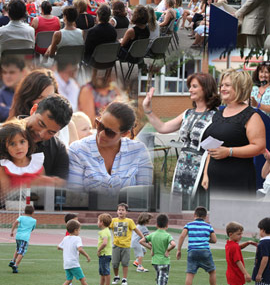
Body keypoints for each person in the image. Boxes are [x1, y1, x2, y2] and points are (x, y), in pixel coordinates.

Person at [143, 73, 221, 210]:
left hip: (202, 166)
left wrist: (206, 174)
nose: (190, 90)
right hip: (182, 165)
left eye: (194, 86)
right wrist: (147, 109)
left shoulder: (217, 115)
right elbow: (162, 127)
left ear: (206, 89)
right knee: (180, 205)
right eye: (190, 86)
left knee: (197, 206)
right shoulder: (187, 113)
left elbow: (215, 146)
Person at [202, 69, 266, 195]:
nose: (222, 88)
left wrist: (229, 152)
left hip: (238, 181)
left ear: (240, 87)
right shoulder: (218, 114)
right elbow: (212, 148)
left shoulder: (252, 116)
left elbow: (259, 147)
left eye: (227, 85)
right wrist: (206, 173)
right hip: (215, 180)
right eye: (221, 85)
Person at [68, 101, 153, 194]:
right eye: (100, 126)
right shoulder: (77, 150)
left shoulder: (139, 151)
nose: (102, 134)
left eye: (109, 132)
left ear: (124, 134)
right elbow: (74, 197)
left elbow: (144, 197)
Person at [176, 206, 217, 285]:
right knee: (212, 272)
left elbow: (182, 236)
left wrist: (179, 250)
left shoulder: (189, 225)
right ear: (205, 217)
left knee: (190, 274)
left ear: (194, 215)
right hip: (205, 251)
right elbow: (214, 240)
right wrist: (206, 239)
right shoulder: (208, 226)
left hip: (192, 252)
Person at [0, 119, 44, 196]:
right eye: (12, 144)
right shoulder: (4, 167)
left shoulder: (37, 164)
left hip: (37, 205)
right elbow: (6, 194)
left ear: (29, 143)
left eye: (22, 142)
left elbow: (44, 191)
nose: (19, 147)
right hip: (13, 206)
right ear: (6, 148)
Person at [57, 219, 99, 285]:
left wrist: (67, 249)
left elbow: (58, 247)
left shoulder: (65, 238)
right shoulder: (77, 238)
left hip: (66, 263)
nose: (79, 232)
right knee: (82, 279)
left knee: (68, 280)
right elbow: (80, 249)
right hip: (74, 263)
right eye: (79, 230)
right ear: (75, 230)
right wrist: (87, 256)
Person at [140, 213, 176, 285]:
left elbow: (141, 241)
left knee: (159, 279)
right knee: (162, 280)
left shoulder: (152, 234)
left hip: (155, 261)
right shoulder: (167, 235)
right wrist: (167, 250)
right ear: (167, 225)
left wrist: (151, 248)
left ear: (156, 224)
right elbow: (173, 244)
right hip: (164, 261)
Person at [110, 203, 145, 285]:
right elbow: (106, 227)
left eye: (123, 210)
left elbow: (136, 230)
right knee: (115, 263)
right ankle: (116, 276)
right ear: (117, 211)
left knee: (125, 263)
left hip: (126, 246)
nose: (120, 211)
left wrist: (143, 237)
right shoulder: (113, 220)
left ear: (126, 212)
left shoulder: (129, 221)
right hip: (116, 246)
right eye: (119, 210)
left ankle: (124, 279)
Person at [225, 221, 257, 285]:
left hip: (231, 276)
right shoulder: (234, 246)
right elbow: (238, 261)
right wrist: (246, 274)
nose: (241, 236)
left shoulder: (229, 244)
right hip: (236, 277)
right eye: (239, 234)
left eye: (241, 234)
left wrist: (247, 243)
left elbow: (238, 248)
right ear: (230, 234)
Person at [9, 205, 36, 273]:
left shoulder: (21, 217)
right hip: (25, 238)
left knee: (18, 249)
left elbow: (15, 223)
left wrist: (12, 231)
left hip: (18, 236)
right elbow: (32, 229)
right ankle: (16, 265)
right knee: (22, 252)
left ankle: (13, 260)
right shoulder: (34, 220)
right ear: (33, 212)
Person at [0, 56, 27, 122]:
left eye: (12, 72)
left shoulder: (29, 91)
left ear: (23, 72)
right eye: (4, 72)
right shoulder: (1, 94)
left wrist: (6, 109)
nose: (7, 76)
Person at [91, 213, 112, 285]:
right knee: (102, 271)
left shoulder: (104, 232)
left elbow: (104, 243)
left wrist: (99, 250)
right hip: (104, 255)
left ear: (102, 222)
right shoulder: (105, 231)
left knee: (106, 271)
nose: (97, 222)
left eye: (98, 221)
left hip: (105, 254)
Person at [252, 217, 270, 285]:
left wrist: (259, 274)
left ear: (263, 230)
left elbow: (265, 258)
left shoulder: (263, 243)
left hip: (263, 277)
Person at [64, 213, 79, 285]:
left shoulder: (70, 233)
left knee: (70, 272)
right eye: (76, 221)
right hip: (71, 256)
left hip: (70, 256)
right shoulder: (70, 234)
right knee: (71, 271)